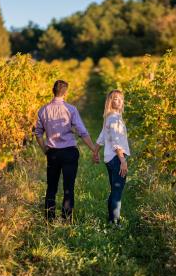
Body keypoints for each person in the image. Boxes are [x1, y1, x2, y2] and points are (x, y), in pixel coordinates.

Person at [34, 80, 96, 221]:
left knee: (51, 187)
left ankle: (49, 219)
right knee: (68, 187)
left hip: (53, 153)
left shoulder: (43, 110)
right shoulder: (71, 109)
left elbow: (38, 133)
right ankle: (66, 219)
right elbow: (82, 132)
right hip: (69, 152)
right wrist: (93, 149)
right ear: (65, 92)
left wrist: (45, 149)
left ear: (52, 90)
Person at [93, 89, 130, 225]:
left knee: (114, 190)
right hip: (116, 158)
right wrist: (123, 160)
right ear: (110, 101)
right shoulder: (114, 119)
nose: (119, 101)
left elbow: (101, 138)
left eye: (121, 99)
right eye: (115, 99)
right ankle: (115, 223)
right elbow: (116, 142)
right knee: (117, 192)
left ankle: (111, 220)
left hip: (110, 159)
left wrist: (95, 153)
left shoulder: (110, 117)